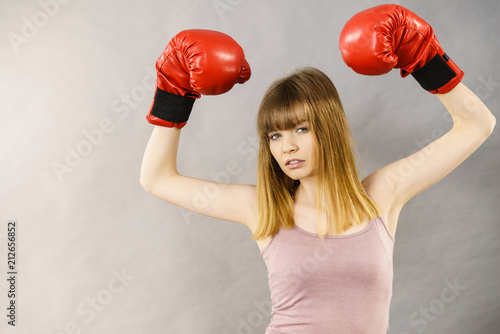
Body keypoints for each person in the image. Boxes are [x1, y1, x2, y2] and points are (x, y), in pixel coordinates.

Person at [140, 5, 496, 334]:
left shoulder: (381, 195)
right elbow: (157, 178)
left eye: (301, 129)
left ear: (329, 128)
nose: (287, 146)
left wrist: (425, 57)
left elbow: (476, 125)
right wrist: (174, 92)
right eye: (274, 135)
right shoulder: (264, 208)